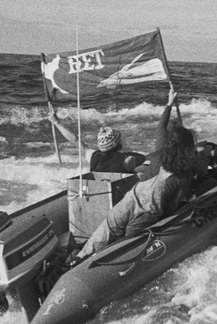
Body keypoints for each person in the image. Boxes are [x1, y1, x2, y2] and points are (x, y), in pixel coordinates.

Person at [76, 89, 198, 258]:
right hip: (146, 212)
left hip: (131, 198)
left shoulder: (160, 150)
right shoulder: (183, 176)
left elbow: (161, 126)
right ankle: (94, 263)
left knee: (106, 230)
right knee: (127, 240)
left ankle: (78, 258)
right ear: (187, 150)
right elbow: (171, 208)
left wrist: (169, 103)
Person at [49, 115, 146, 174]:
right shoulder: (126, 159)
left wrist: (56, 122)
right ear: (116, 143)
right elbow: (142, 158)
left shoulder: (92, 156)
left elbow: (75, 140)